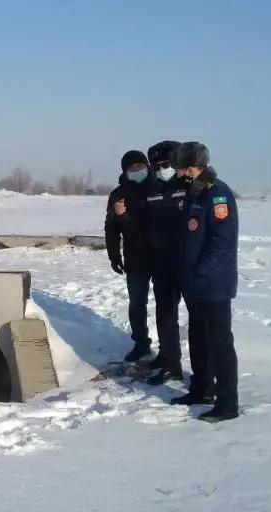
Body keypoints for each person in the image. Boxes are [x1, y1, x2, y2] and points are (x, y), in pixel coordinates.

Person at [171, 141, 240, 423]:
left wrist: (200, 270)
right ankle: (202, 388)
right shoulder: (194, 192)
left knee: (219, 342)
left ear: (192, 167)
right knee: (198, 338)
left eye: (180, 168)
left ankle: (227, 403)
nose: (177, 173)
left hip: (213, 283)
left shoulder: (217, 193)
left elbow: (222, 240)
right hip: (195, 283)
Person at [142, 140, 188, 386]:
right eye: (156, 165)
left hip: (187, 263)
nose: (161, 168)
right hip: (162, 263)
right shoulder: (153, 187)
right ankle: (169, 359)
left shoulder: (191, 186)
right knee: (165, 314)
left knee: (199, 320)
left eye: (166, 164)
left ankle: (203, 373)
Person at [104, 150, 156, 362]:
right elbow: (111, 228)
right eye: (131, 168)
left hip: (161, 256)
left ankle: (169, 353)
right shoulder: (118, 195)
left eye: (139, 167)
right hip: (135, 257)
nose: (137, 171)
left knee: (165, 306)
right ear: (125, 171)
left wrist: (124, 216)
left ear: (147, 166)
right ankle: (141, 343)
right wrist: (113, 255)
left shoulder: (158, 188)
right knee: (137, 303)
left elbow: (153, 225)